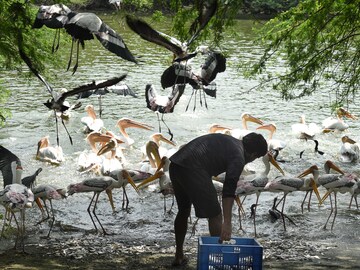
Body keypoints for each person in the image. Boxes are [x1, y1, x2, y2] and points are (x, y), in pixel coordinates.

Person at [168, 132, 268, 266]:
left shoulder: (231, 142)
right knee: (215, 214)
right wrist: (227, 223)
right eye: (256, 157)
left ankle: (179, 255)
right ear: (254, 154)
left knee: (184, 210)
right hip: (193, 169)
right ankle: (218, 261)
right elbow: (228, 190)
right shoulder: (238, 156)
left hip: (176, 164)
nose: (253, 160)